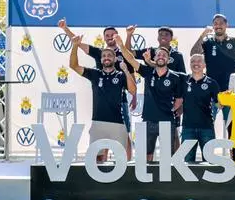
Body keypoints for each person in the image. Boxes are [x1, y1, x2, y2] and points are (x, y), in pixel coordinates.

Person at [58, 18, 135, 159]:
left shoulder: (124, 52)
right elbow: (78, 43)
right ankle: (102, 163)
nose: (110, 36)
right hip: (101, 98)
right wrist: (65, 29)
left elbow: (132, 77)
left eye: (113, 34)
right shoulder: (99, 52)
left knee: (124, 133)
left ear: (117, 36)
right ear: (104, 38)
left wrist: (134, 97)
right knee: (102, 136)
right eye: (107, 35)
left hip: (121, 99)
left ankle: (128, 163)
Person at [115, 36, 183, 162]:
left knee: (169, 157)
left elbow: (179, 100)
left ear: (168, 60)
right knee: (146, 157)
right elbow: (130, 58)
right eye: (158, 55)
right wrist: (120, 44)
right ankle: (148, 181)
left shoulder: (175, 77)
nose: (161, 56)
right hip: (148, 121)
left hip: (167, 121)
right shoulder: (147, 71)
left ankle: (167, 182)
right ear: (154, 58)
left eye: (164, 55)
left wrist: (168, 110)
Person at [190, 14, 235, 127]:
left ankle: (231, 145)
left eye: (221, 23)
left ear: (227, 25)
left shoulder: (234, 41)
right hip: (211, 91)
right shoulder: (207, 42)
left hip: (230, 90)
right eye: (216, 23)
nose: (218, 26)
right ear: (213, 25)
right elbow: (193, 53)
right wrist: (202, 35)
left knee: (232, 126)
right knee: (206, 125)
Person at [181, 54, 220, 163]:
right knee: (187, 164)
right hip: (188, 128)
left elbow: (218, 104)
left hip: (206, 128)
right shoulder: (183, 81)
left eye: (199, 61)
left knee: (210, 163)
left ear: (204, 65)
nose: (196, 63)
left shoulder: (212, 83)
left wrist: (225, 101)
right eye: (193, 61)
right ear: (190, 64)